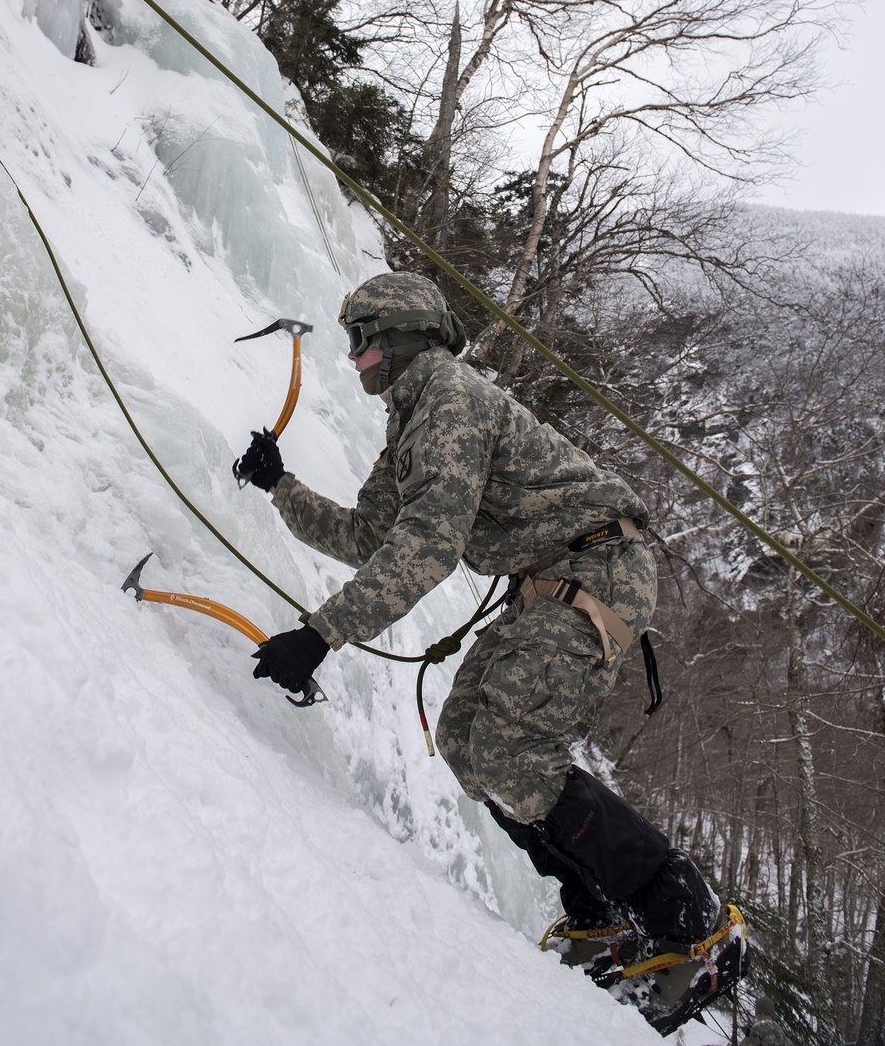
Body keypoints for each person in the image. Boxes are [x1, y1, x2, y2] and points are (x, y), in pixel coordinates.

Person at [234, 272, 745, 1033]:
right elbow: (371, 536)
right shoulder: (412, 420)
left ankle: (688, 918)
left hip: (597, 570)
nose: (352, 359)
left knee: (508, 746)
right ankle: (598, 912)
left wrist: (319, 635)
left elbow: (430, 545)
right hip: (555, 577)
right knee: (470, 743)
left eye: (359, 342)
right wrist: (283, 487)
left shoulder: (446, 396)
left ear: (396, 340)